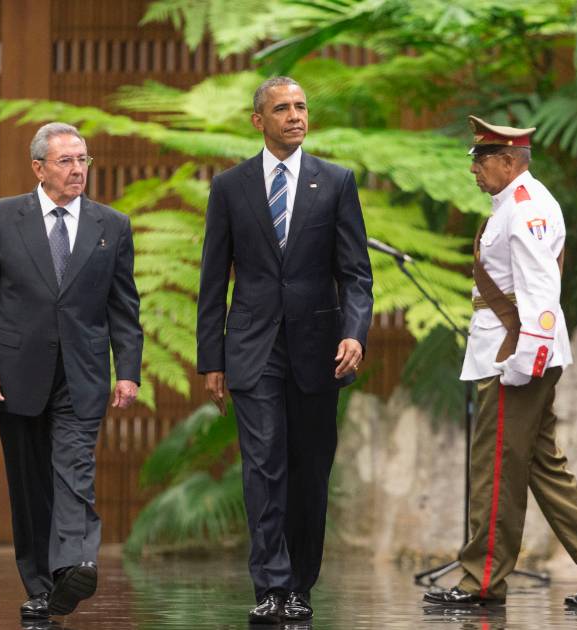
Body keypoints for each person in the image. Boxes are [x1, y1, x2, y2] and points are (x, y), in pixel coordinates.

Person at [423, 115, 577, 608]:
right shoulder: (513, 204)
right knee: (541, 464)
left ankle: (482, 580)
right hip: (510, 349)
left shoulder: (527, 207)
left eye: (481, 160)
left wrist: (524, 360)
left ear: (508, 161)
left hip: (514, 355)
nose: (474, 169)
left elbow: (540, 290)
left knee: (495, 469)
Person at [196, 76, 373, 624]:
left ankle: (300, 586)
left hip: (320, 350)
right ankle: (271, 585)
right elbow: (212, 280)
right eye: (282, 108)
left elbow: (356, 273)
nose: (295, 116)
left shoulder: (336, 182)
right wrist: (211, 360)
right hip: (253, 349)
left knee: (309, 472)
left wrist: (354, 332)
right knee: (263, 466)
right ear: (259, 121)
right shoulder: (230, 187)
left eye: (301, 106)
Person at [0, 122, 143, 620]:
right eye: (66, 161)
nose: (77, 170)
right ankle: (42, 587)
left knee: (74, 471)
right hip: (16, 373)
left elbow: (124, 307)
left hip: (82, 373)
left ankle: (74, 565)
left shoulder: (112, 225)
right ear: (38, 168)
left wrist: (128, 370)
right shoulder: (3, 216)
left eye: (83, 160)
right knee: (29, 485)